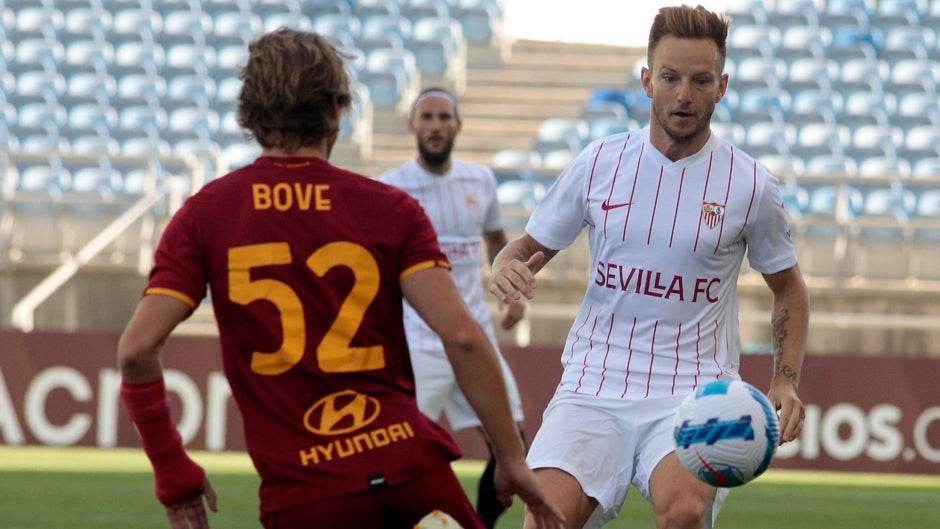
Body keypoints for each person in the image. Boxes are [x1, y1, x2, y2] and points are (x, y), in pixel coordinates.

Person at [116, 28, 564, 529]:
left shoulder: (204, 216)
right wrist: (511, 459)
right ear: (336, 107)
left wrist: (172, 469)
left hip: (306, 495)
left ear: (249, 110)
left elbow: (136, 350)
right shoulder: (390, 207)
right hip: (412, 474)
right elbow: (463, 336)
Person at [487, 5, 809, 529]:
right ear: (646, 80)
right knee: (547, 520)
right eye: (670, 77)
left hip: (693, 390)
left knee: (683, 514)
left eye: (700, 80)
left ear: (722, 86)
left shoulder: (751, 184)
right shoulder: (599, 162)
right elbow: (521, 249)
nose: (684, 94)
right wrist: (504, 266)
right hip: (594, 383)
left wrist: (785, 380)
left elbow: (789, 288)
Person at [378, 87, 528, 529]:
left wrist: (510, 289)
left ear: (458, 125)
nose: (436, 125)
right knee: (394, 454)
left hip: (474, 337)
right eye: (427, 117)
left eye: (444, 117)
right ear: (412, 125)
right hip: (416, 342)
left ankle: (479, 524)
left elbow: (496, 241)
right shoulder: (390, 187)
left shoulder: (480, 180)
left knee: (513, 445)